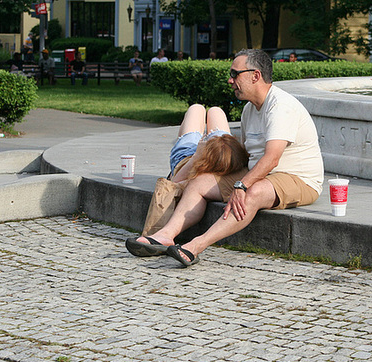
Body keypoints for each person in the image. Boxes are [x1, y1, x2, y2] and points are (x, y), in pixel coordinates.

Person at [126, 49, 324, 267]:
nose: (230, 80)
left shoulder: (280, 107)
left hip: (298, 178)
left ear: (255, 75)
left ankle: (195, 246)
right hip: (262, 173)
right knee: (201, 182)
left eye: (235, 74)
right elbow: (250, 154)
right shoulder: (249, 110)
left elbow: (272, 159)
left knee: (253, 192)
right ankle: (165, 235)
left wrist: (241, 185)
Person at [126, 104, 249, 256]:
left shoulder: (194, 166)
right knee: (215, 111)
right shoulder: (230, 163)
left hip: (189, 156)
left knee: (196, 109)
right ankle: (216, 138)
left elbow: (171, 184)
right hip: (221, 151)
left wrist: (196, 156)